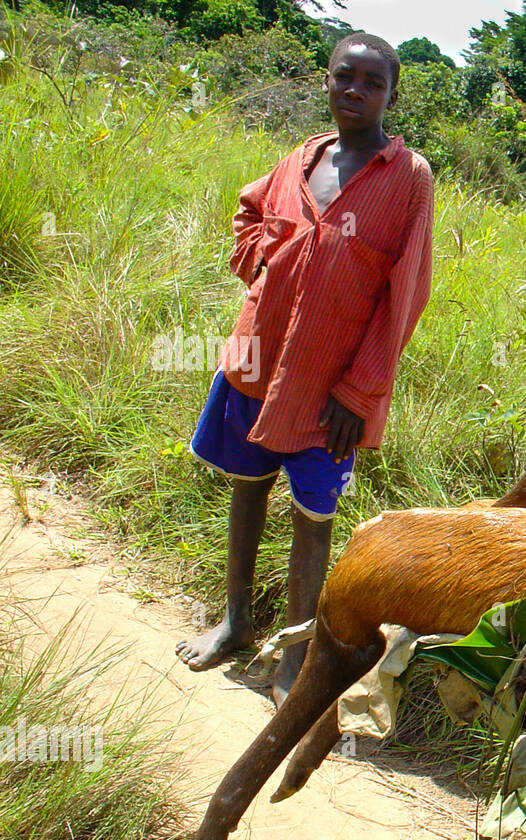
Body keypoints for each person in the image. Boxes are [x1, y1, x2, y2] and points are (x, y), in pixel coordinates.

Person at [175, 32, 434, 706]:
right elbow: (249, 211)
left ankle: (292, 662)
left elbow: (405, 293)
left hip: (333, 392)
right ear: (326, 81)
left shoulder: (406, 178)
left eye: (371, 82)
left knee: (313, 516)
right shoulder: (302, 158)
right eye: (344, 76)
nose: (355, 90)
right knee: (246, 485)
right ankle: (235, 623)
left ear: (391, 95)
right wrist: (264, 259)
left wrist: (360, 389)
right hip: (256, 363)